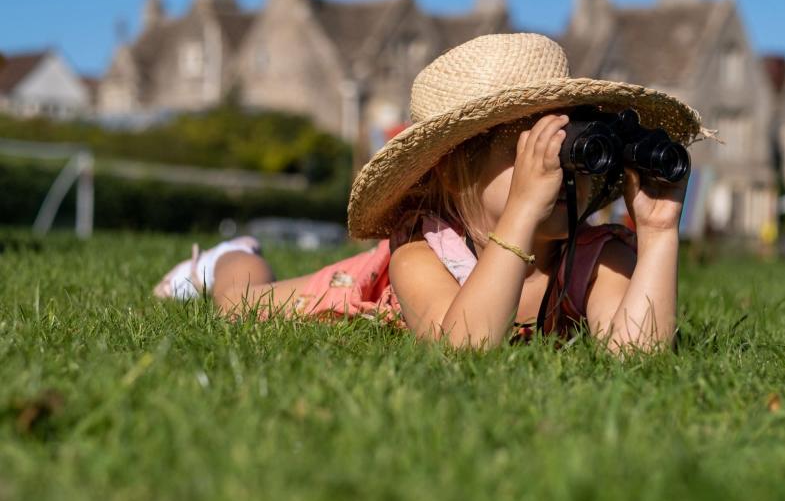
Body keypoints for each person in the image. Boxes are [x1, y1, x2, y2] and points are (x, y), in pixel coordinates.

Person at [153, 33, 706, 353]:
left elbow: (638, 355)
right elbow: (464, 346)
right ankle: (230, 258)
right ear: (452, 171)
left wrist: (656, 236)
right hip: (370, 295)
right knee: (242, 308)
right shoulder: (417, 252)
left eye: (570, 146)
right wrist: (518, 217)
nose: (555, 171)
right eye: (526, 150)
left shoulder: (594, 256)